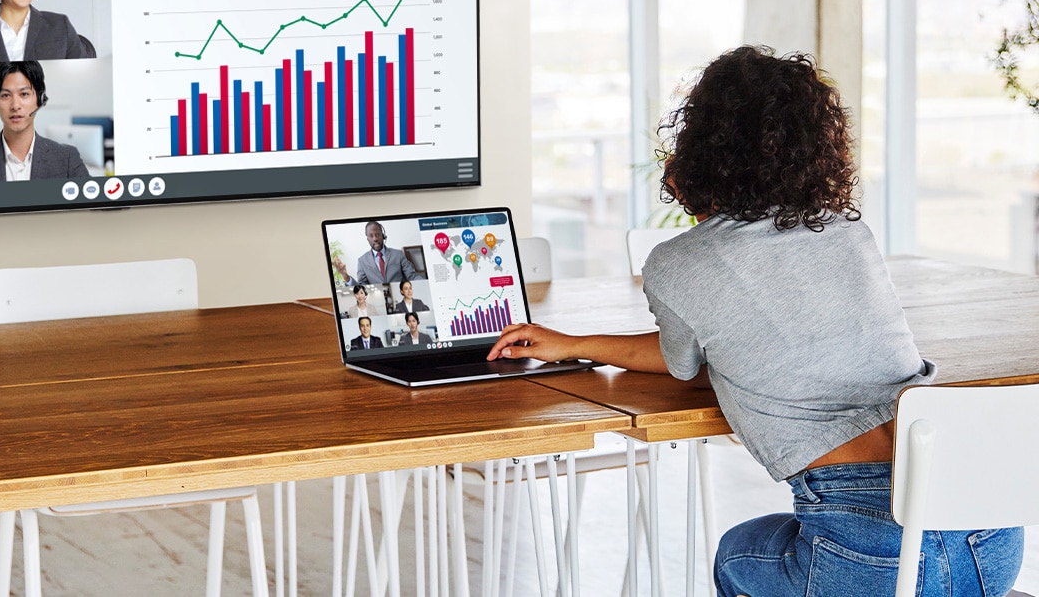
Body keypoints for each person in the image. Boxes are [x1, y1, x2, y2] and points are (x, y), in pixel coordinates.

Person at [485, 46, 1023, 597]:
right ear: (818, 148)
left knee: (735, 556)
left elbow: (681, 364)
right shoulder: (845, 233)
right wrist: (576, 342)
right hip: (987, 538)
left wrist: (575, 345)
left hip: (868, 557)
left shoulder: (679, 262)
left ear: (699, 147)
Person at [0, 60, 89, 183]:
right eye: (6, 95)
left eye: (24, 94)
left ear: (39, 100)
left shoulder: (67, 158)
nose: (15, 106)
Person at [356, 221, 418, 287]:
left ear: (383, 236)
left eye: (377, 234)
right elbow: (362, 286)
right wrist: (348, 279)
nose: (375, 238)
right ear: (367, 239)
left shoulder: (398, 254)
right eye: (371, 236)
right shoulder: (362, 261)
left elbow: (412, 276)